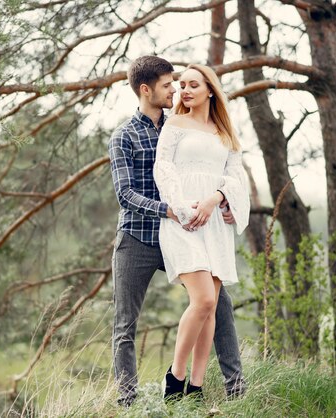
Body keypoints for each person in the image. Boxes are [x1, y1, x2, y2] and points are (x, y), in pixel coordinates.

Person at [108, 56, 246, 407]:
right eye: (169, 85)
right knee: (125, 324)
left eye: (180, 84)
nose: (176, 90)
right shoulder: (124, 135)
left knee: (217, 306)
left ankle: (235, 388)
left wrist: (224, 202)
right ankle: (127, 402)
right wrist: (169, 209)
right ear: (146, 89)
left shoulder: (182, 125)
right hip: (139, 237)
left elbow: (216, 169)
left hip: (191, 231)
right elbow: (125, 194)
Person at [153, 63, 250, 401]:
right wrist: (182, 208)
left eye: (193, 84)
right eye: (181, 85)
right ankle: (175, 378)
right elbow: (163, 168)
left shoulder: (225, 132)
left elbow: (236, 176)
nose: (185, 90)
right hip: (183, 220)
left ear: (210, 89)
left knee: (209, 307)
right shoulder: (175, 124)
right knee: (204, 299)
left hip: (214, 226)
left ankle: (195, 386)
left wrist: (218, 198)